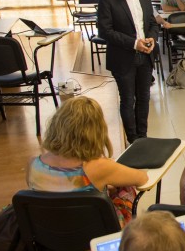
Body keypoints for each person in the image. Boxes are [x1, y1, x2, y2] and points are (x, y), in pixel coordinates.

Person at [27, 96, 148, 227]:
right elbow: (142, 178)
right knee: (126, 187)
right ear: (96, 131)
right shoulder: (99, 167)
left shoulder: (33, 164)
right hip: (94, 232)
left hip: (49, 233)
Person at [98, 0, 159, 144]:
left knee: (144, 98)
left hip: (145, 56)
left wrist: (152, 38)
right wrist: (134, 43)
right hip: (122, 57)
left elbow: (152, 23)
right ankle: (133, 140)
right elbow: (105, 30)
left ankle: (143, 136)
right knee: (127, 99)